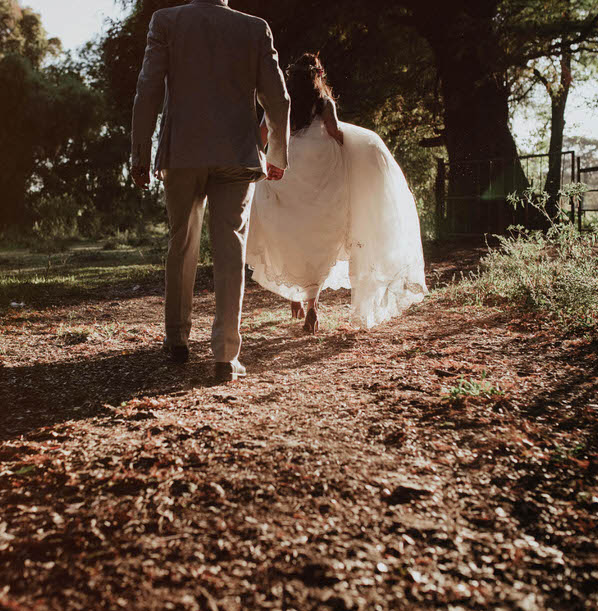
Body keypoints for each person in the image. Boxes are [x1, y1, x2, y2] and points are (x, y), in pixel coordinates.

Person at [131, 0, 290, 382]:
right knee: (230, 249)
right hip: (236, 152)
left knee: (181, 243)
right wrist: (278, 155)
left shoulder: (165, 22)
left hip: (182, 152)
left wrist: (139, 154)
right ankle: (224, 355)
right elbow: (278, 98)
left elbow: (148, 89)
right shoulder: (255, 28)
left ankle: (176, 341)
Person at [246, 53, 428, 333]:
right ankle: (311, 305)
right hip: (319, 172)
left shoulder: (279, 102)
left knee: (291, 231)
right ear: (318, 76)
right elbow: (333, 130)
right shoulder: (323, 103)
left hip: (286, 170)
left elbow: (261, 135)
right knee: (319, 235)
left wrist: (266, 158)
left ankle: (299, 295)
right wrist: (355, 150)